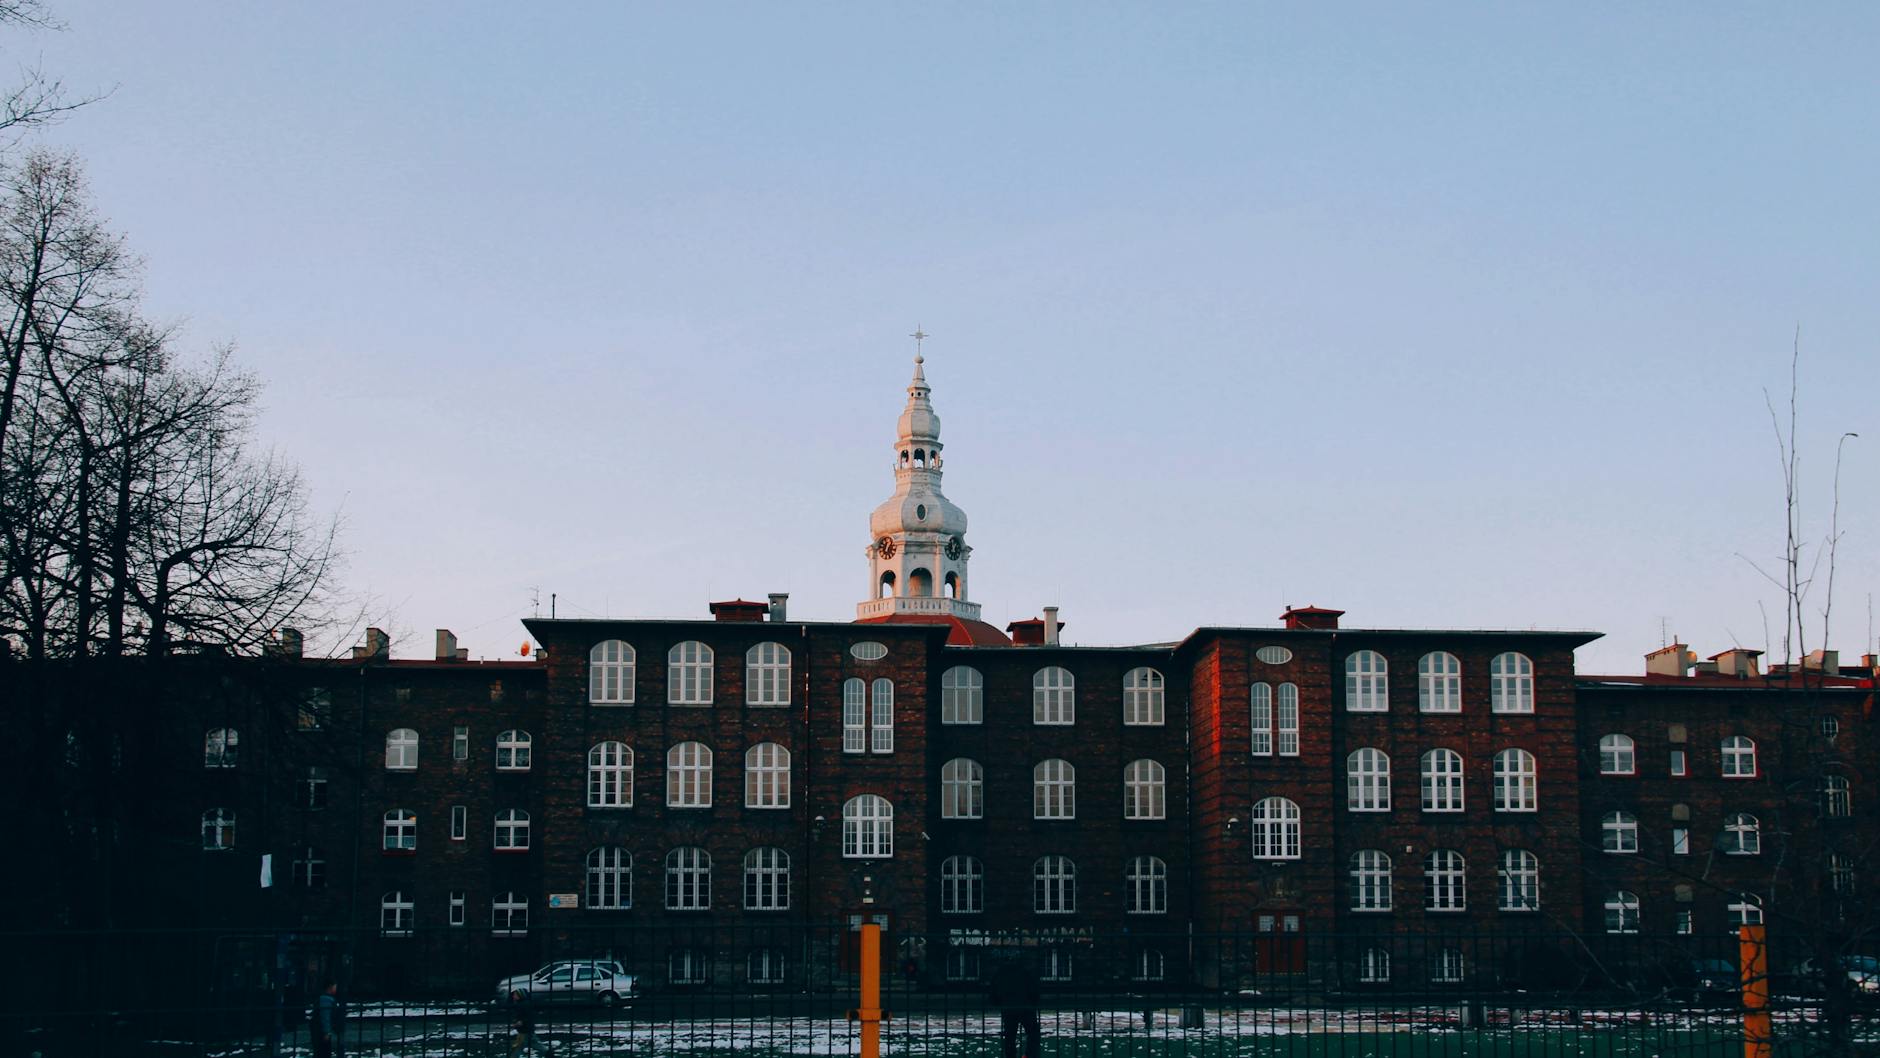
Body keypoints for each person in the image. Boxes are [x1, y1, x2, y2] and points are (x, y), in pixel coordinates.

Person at [987, 952, 1041, 1058]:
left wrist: (999, 1002)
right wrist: (1033, 1002)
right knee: (1033, 1033)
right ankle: (1029, 1055)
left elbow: (993, 992)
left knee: (1010, 1036)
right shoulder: (1025, 971)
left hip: (1009, 1007)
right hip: (1025, 1007)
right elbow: (1034, 990)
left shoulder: (1000, 973)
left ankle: (1011, 1056)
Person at [509, 988, 554, 1056]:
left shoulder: (524, 1004)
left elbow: (528, 1016)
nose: (513, 996)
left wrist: (521, 1022)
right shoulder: (522, 1003)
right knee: (535, 1044)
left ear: (520, 995)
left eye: (515, 995)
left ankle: (548, 1053)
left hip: (524, 1030)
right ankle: (548, 1053)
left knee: (518, 1047)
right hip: (526, 1030)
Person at [311, 978, 344, 1058]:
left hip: (318, 1030)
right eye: (335, 986)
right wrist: (327, 1032)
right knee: (323, 1052)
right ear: (330, 987)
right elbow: (325, 1016)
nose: (336, 988)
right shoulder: (326, 999)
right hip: (321, 1031)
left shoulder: (325, 998)